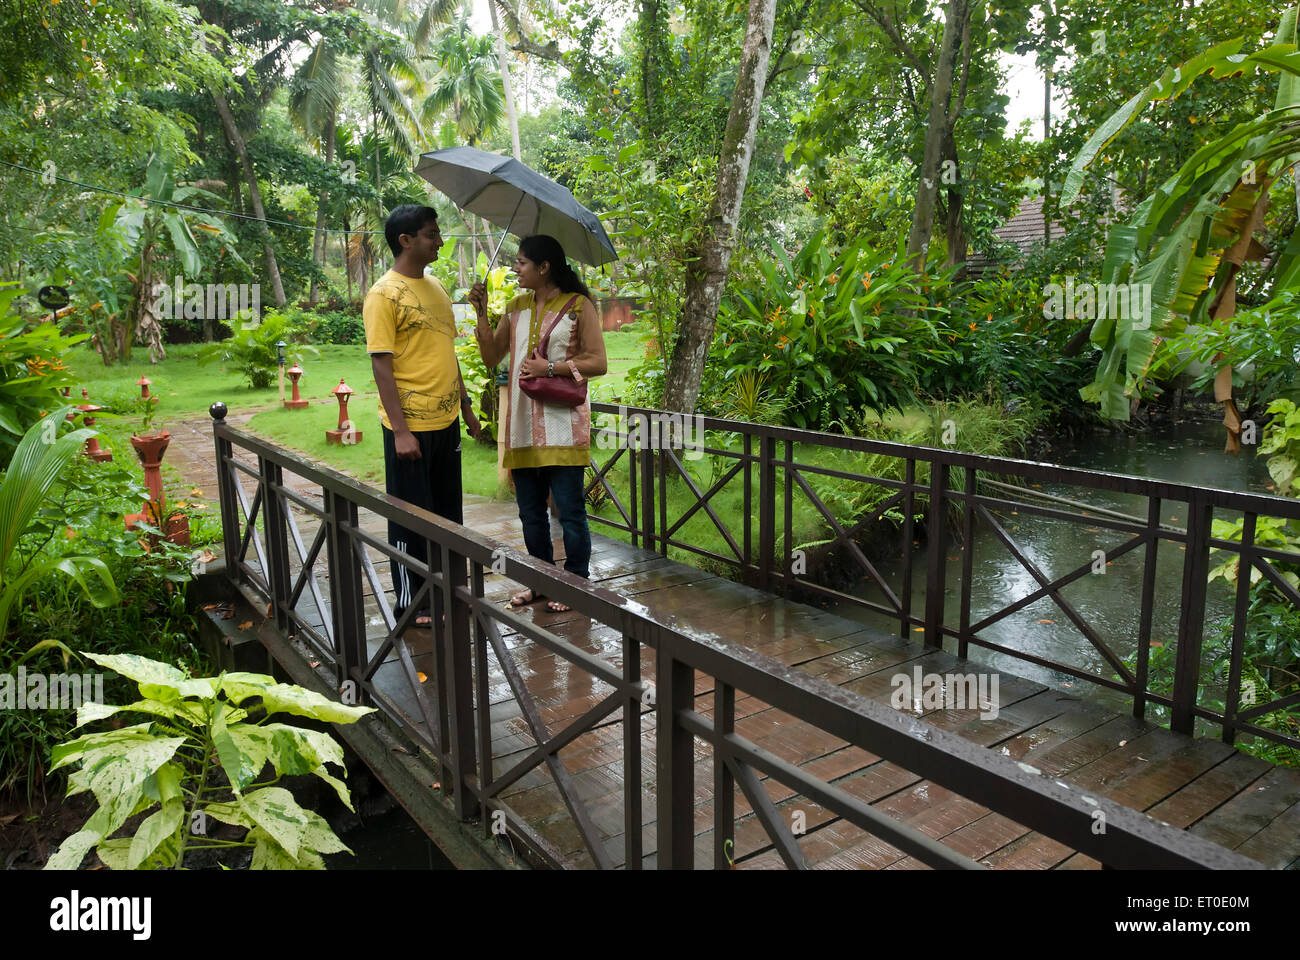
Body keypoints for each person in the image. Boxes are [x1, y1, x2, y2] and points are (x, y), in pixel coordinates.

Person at [468, 234, 607, 612]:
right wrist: (481, 312)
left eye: (522, 262)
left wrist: (551, 367)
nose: (516, 268)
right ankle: (543, 581)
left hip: (564, 425)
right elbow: (491, 356)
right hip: (522, 425)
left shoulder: (579, 306)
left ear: (544, 267)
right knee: (530, 513)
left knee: (570, 511)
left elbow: (598, 362)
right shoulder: (515, 307)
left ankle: (576, 583)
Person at [364, 204, 480, 627]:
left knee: (449, 516)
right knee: (411, 518)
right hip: (410, 427)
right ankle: (415, 605)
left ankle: (450, 591)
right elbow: (381, 365)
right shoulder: (383, 294)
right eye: (432, 234)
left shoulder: (437, 288)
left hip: (446, 421)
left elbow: (445, 353)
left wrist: (465, 407)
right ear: (406, 240)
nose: (440, 241)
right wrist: (399, 431)